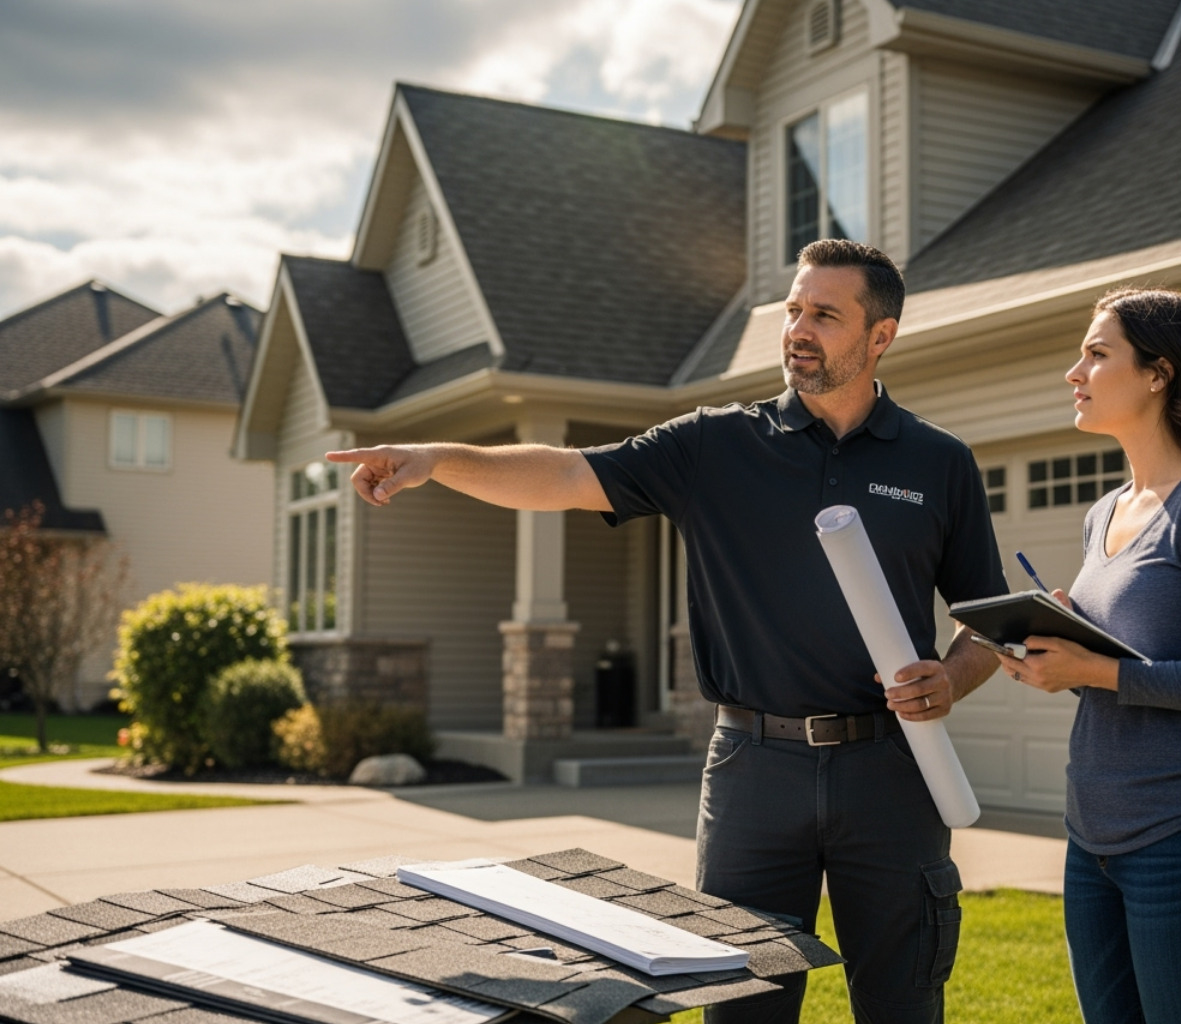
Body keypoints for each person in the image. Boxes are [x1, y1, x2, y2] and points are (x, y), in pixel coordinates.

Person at [328, 238, 1008, 1024]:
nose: (798, 328)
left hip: (893, 769)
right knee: (741, 1006)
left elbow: (983, 621)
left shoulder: (938, 462)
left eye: (824, 314)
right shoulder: (713, 445)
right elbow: (563, 472)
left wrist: (951, 677)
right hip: (756, 771)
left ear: (879, 336)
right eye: (793, 309)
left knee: (904, 1003)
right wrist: (435, 457)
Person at [993, 288, 1181, 1024]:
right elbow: (1130, 677)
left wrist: (1093, 668)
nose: (1076, 372)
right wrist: (1062, 653)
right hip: (1091, 838)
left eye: (1097, 354)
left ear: (1159, 373)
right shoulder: (1107, 509)